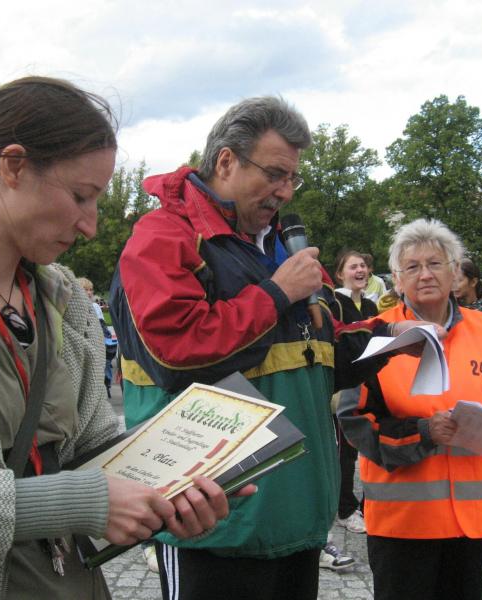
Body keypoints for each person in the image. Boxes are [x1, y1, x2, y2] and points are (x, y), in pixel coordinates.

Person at [0, 77, 238, 600]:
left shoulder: (64, 304)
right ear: (13, 166)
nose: (90, 226)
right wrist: (77, 502)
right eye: (81, 196)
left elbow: (91, 454)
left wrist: (173, 489)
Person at [110, 96, 344, 600]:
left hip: (296, 515)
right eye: (275, 174)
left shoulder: (279, 245)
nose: (285, 192)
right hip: (215, 526)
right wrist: (277, 293)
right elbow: (176, 353)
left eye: (293, 179)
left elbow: (316, 350)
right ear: (225, 161)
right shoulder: (163, 235)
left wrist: (376, 344)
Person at [337, 218, 482, 600]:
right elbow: (355, 422)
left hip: (475, 518)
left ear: (455, 272)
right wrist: (424, 433)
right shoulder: (376, 333)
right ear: (397, 279)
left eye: (435, 263)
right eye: (412, 267)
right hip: (404, 522)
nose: (425, 274)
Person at [330, 251, 378, 536]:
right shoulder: (335, 303)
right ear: (340, 274)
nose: (360, 270)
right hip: (345, 389)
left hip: (369, 387)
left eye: (363, 266)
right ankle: (344, 509)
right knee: (344, 453)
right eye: (353, 267)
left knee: (370, 448)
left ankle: (365, 504)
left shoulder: (371, 304)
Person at [77, 276, 117, 396]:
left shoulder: (94, 306)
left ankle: (105, 384)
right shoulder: (74, 307)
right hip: (82, 343)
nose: (89, 292)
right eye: (86, 289)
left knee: (103, 365)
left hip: (97, 341)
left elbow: (101, 325)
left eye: (91, 290)